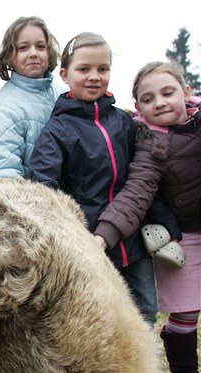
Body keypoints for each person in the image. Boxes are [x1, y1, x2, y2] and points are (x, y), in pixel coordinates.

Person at [29, 32, 180, 326]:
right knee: (98, 317)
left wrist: (168, 224)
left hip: (133, 241)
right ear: (65, 74)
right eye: (84, 69)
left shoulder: (123, 121)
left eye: (102, 69)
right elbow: (44, 186)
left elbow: (144, 180)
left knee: (145, 310)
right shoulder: (57, 130)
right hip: (90, 242)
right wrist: (65, 236)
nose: (94, 77)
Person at [94, 61, 200, 372]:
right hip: (183, 235)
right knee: (185, 315)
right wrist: (104, 235)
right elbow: (136, 191)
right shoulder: (151, 143)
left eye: (168, 93)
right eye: (148, 99)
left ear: (186, 91)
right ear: (138, 106)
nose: (160, 102)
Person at [0, 16, 65, 180]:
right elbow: (3, 171)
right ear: (10, 56)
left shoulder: (62, 94)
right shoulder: (3, 109)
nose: (33, 53)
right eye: (23, 48)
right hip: (36, 199)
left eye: (40, 46)